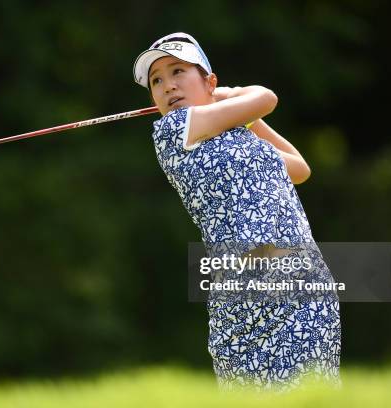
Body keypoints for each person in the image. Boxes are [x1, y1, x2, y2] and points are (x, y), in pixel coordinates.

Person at [133, 32, 341, 391]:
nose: (167, 86)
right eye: (156, 80)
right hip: (242, 297)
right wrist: (230, 96)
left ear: (208, 80)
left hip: (301, 287)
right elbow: (266, 97)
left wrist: (239, 115)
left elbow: (299, 168)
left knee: (310, 394)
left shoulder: (243, 139)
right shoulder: (172, 131)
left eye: (178, 71)